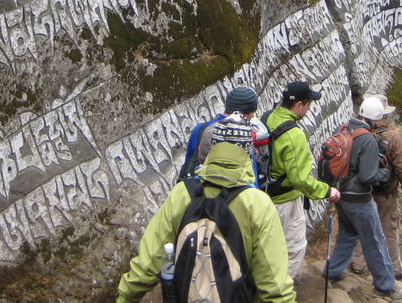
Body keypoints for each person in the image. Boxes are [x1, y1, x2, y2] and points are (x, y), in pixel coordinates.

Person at [116, 136, 296, 303]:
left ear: (208, 154)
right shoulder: (258, 203)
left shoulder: (182, 193)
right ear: (248, 157)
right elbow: (275, 287)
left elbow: (147, 265)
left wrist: (124, 297)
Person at [324, 97, 402, 300]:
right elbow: (368, 176)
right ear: (376, 120)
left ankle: (332, 271)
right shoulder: (367, 139)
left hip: (340, 193)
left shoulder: (345, 129)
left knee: (348, 233)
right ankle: (386, 285)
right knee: (375, 240)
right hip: (359, 198)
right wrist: (385, 174)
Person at [263, 80, 341, 283]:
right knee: (295, 246)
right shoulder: (293, 134)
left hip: (266, 195)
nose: (309, 109)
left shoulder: (270, 117)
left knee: (269, 246)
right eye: (308, 104)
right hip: (285, 200)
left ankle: (271, 283)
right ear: (299, 105)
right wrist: (326, 191)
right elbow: (300, 179)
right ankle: (281, 289)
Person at [350, 95, 402, 290]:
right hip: (386, 192)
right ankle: (395, 269)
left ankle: (357, 264)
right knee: (389, 230)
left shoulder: (357, 134)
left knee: (361, 227)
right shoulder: (392, 138)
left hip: (363, 189)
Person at [179, 86, 259, 179]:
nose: (253, 116)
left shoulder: (200, 128)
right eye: (253, 112)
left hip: (196, 188)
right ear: (247, 113)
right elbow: (251, 178)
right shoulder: (242, 135)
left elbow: (189, 162)